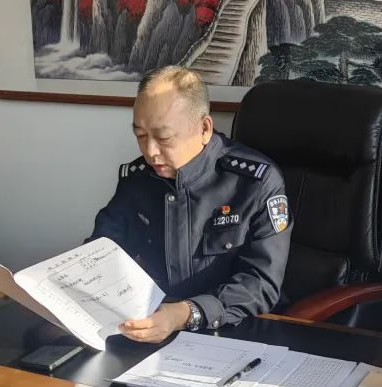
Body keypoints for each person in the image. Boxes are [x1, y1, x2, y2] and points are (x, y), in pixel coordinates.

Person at [86, 66, 292, 343]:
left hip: (232, 331)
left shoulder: (255, 182)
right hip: (148, 327)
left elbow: (260, 283)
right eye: (141, 135)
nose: (150, 152)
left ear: (204, 129)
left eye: (164, 138)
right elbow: (102, 250)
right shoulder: (138, 179)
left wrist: (183, 314)